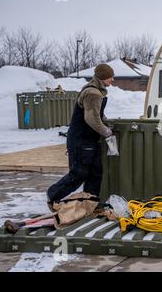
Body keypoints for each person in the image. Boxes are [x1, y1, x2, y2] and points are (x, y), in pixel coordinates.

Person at [47, 64, 115, 209]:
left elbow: (97, 114)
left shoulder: (97, 92)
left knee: (95, 173)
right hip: (81, 140)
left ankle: (89, 203)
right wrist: (106, 131)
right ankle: (53, 195)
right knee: (79, 173)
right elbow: (91, 118)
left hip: (91, 140)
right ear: (103, 77)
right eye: (110, 77)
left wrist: (106, 121)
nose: (113, 80)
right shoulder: (93, 93)